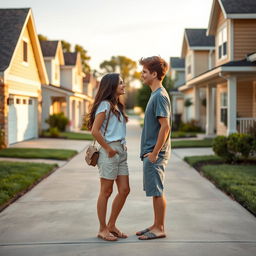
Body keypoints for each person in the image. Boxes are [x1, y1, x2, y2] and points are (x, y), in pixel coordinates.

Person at [88, 73, 130, 241]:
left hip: (120, 150)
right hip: (109, 150)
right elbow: (95, 131)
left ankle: (111, 225)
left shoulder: (117, 105)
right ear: (111, 86)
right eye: (120, 83)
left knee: (125, 190)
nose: (124, 85)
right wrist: (108, 149)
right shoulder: (105, 105)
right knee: (106, 191)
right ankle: (102, 228)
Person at [137, 56, 171, 240]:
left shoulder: (159, 96)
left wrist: (155, 153)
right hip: (152, 152)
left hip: (155, 153)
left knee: (157, 191)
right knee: (155, 191)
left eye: (144, 72)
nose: (141, 75)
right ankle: (156, 224)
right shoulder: (155, 94)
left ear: (155, 74)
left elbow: (165, 126)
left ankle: (160, 228)